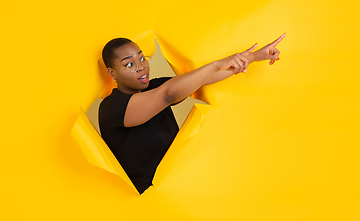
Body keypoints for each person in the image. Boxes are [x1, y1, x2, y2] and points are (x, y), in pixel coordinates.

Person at [98, 34, 286, 194]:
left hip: (180, 192)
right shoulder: (111, 108)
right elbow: (168, 94)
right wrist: (216, 64)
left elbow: (202, 79)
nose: (141, 67)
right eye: (129, 64)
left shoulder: (156, 86)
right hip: (145, 204)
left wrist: (253, 57)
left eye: (142, 59)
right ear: (112, 74)